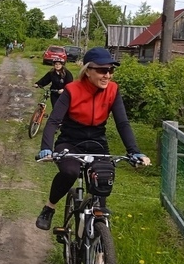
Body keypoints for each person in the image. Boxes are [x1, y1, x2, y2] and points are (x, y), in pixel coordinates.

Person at [35, 47, 150, 230]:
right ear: (88, 71)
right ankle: (49, 208)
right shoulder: (72, 90)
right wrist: (46, 147)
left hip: (97, 142)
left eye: (111, 70)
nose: (107, 75)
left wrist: (134, 151)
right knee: (70, 172)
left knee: (102, 179)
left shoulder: (112, 90)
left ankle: (100, 243)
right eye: (102, 70)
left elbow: (122, 123)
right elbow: (54, 121)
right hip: (70, 141)